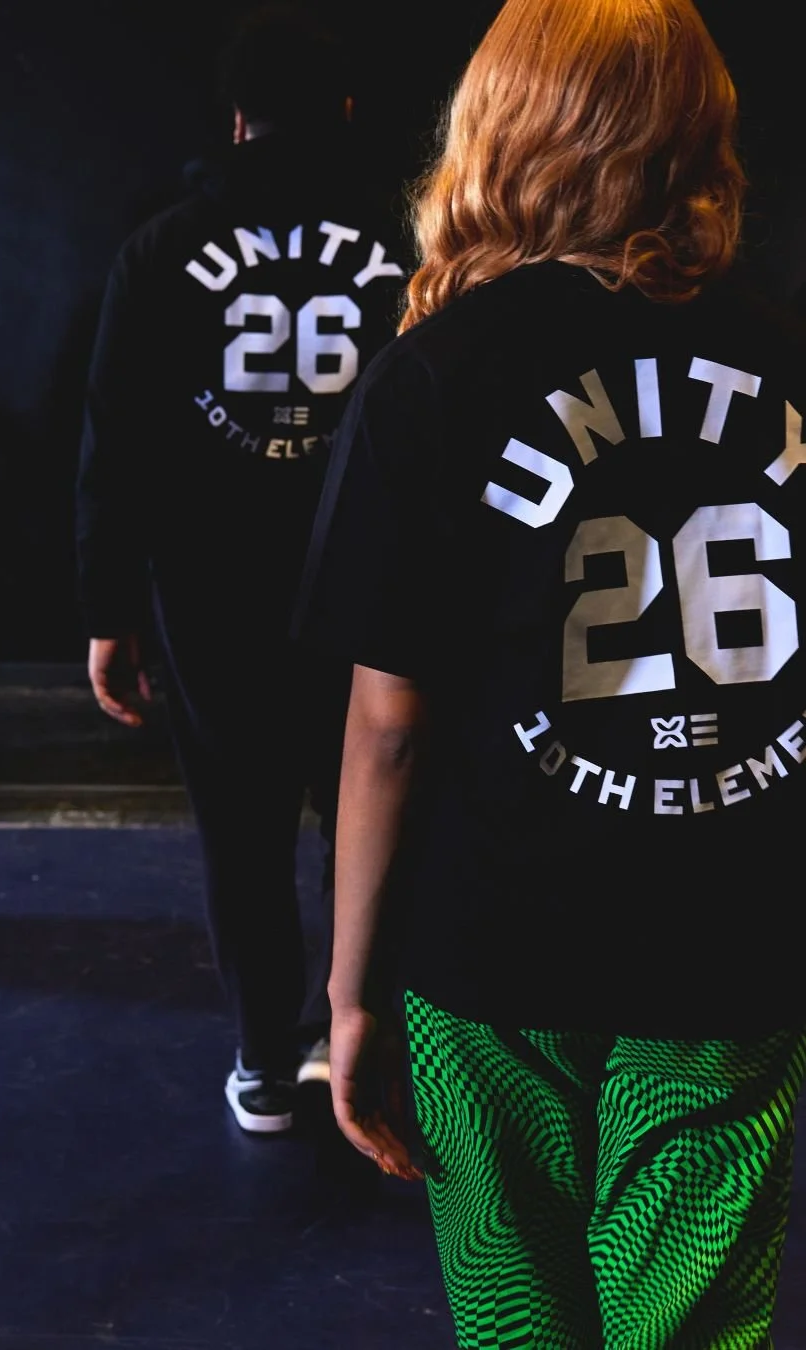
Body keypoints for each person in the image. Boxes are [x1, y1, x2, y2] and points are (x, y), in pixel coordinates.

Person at [302, 0, 806, 1341]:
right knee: (691, 1327)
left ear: (504, 124)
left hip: (493, 958)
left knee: (519, 1320)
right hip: (732, 949)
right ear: (700, 134)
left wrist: (350, 994)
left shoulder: (432, 377)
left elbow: (388, 729)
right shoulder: (788, 359)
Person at [76, 4, 407, 1133]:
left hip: (215, 598)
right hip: (374, 589)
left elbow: (113, 442)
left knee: (241, 832)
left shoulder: (160, 248)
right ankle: (360, 1043)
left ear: (235, 119)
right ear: (346, 112)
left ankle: (266, 1060)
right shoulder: (413, 244)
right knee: (374, 817)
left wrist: (108, 609)